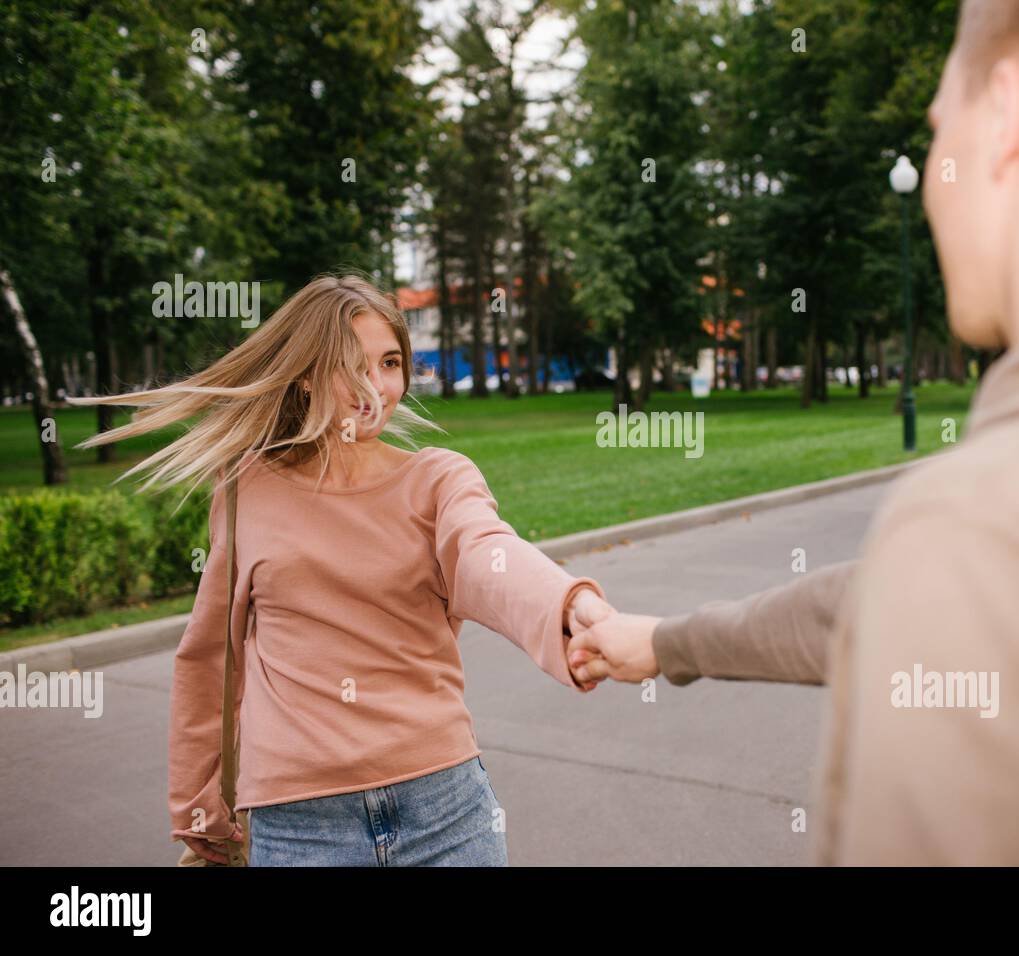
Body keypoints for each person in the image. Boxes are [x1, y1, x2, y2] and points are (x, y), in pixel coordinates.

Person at [568, 0, 1019, 864]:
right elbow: (870, 605)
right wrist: (662, 643)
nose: (935, 168)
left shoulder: (988, 539)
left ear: (1009, 116)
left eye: (939, 125)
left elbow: (978, 588)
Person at [69, 273, 614, 866]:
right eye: (350, 366)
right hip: (300, 827)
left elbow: (487, 553)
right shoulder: (246, 487)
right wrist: (198, 803)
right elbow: (212, 657)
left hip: (447, 810)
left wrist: (567, 605)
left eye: (389, 363)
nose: (375, 388)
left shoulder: (438, 479)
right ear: (304, 374)